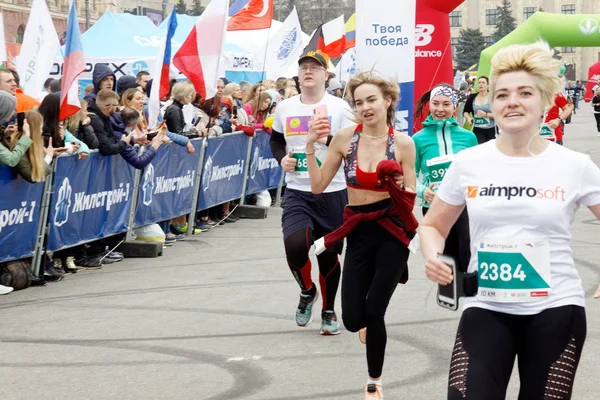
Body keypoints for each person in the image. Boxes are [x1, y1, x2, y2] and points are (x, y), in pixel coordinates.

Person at [420, 41, 600, 400]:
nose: (512, 101)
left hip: (556, 307)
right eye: (502, 94)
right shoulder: (469, 162)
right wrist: (434, 257)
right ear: (492, 104)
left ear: (544, 102)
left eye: (524, 93)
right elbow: (433, 225)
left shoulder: (573, 165)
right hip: (486, 305)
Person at [306, 71, 418, 399]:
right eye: (359, 102)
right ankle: (365, 324)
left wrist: (400, 187)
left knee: (375, 310)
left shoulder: (402, 144)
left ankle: (374, 382)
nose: (366, 107)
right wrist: (311, 146)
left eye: (371, 100)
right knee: (354, 319)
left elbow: (411, 191)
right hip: (357, 230)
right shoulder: (344, 139)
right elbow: (317, 186)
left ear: (387, 101)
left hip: (392, 231)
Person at [269, 50, 354, 336]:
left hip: (333, 191)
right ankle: (307, 291)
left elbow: (350, 145)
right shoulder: (285, 107)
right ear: (298, 74)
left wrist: (322, 138)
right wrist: (283, 158)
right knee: (295, 246)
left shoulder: (340, 108)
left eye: (315, 68)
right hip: (298, 190)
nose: (308, 72)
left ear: (326, 75)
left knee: (328, 255)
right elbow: (276, 140)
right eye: (304, 67)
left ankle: (329, 311)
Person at [413, 84, 478, 275]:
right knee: (445, 255)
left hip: (464, 204)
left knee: (467, 248)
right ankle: (451, 295)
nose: (440, 109)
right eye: (435, 104)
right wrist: (423, 191)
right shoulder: (418, 139)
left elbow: (477, 172)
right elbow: (411, 176)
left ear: (454, 108)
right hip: (434, 205)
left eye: (446, 104)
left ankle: (471, 295)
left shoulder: (469, 138)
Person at [463, 76, 496, 144]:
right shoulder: (472, 97)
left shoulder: (493, 97)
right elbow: (465, 111)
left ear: (488, 85)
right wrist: (468, 118)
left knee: (491, 150)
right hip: (478, 128)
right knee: (480, 149)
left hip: (492, 129)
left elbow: (500, 114)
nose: (481, 84)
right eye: (479, 82)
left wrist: (486, 115)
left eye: (483, 83)